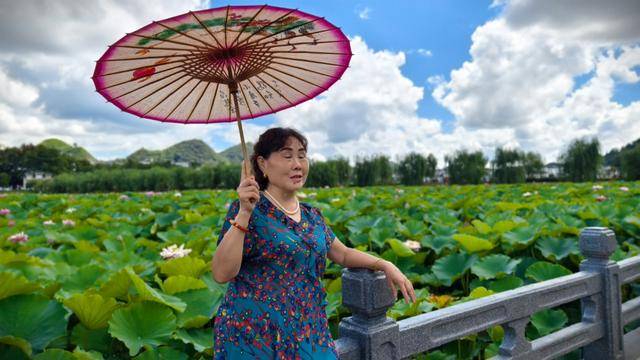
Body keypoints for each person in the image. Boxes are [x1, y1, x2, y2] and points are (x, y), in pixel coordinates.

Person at [212, 127, 416, 359]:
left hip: (308, 330)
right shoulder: (247, 210)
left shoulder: (311, 216)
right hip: (254, 336)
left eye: (302, 155)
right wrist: (244, 213)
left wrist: (384, 264)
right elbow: (221, 273)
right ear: (262, 164)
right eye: (287, 156)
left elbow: (343, 254)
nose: (297, 164)